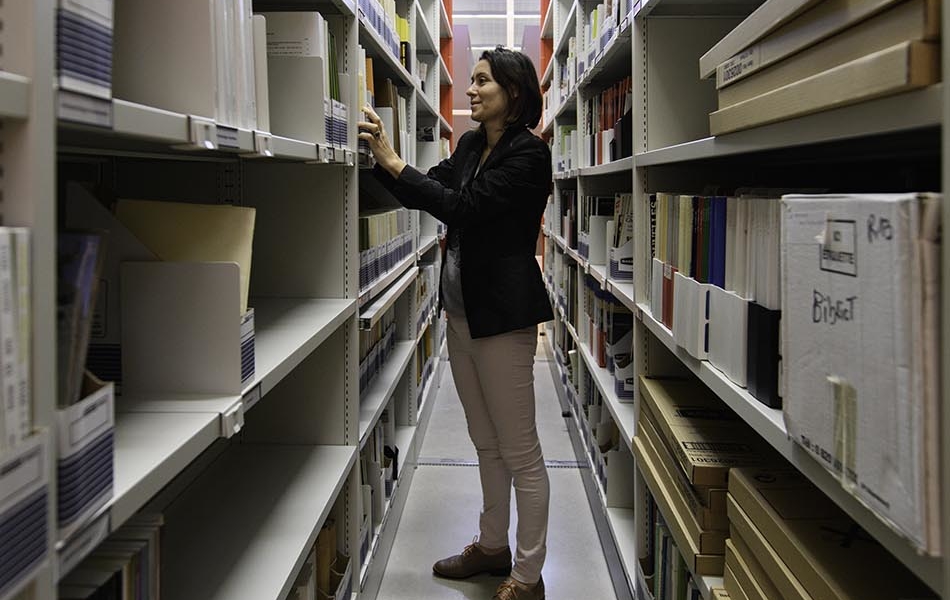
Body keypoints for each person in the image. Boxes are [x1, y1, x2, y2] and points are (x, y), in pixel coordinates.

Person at [358, 46, 553, 600]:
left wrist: (397, 165)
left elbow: (462, 208)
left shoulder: (528, 156)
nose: (470, 90)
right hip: (460, 312)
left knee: (521, 452)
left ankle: (529, 575)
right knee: (485, 442)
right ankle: (493, 547)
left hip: (503, 318)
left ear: (512, 94)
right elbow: (431, 187)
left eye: (482, 82)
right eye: (469, 81)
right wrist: (381, 155)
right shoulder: (470, 143)